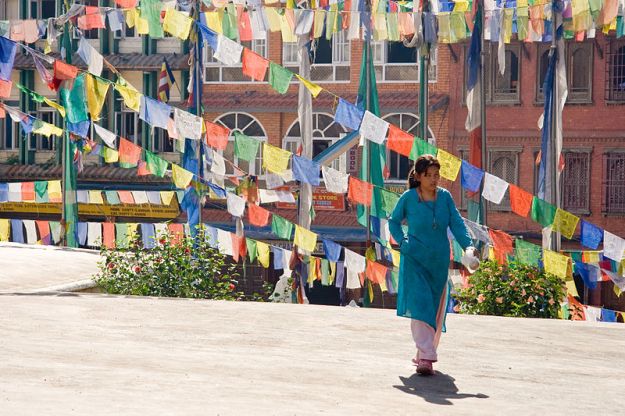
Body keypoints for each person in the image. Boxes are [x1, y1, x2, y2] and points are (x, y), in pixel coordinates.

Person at [388, 154, 476, 376]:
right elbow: (393, 222)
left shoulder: (445, 197)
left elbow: (457, 224)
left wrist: (468, 247)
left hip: (438, 260)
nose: (434, 179)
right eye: (429, 175)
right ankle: (427, 356)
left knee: (435, 309)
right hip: (415, 258)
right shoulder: (408, 198)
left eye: (437, 175)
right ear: (418, 176)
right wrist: (404, 242)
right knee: (420, 305)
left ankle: (423, 353)